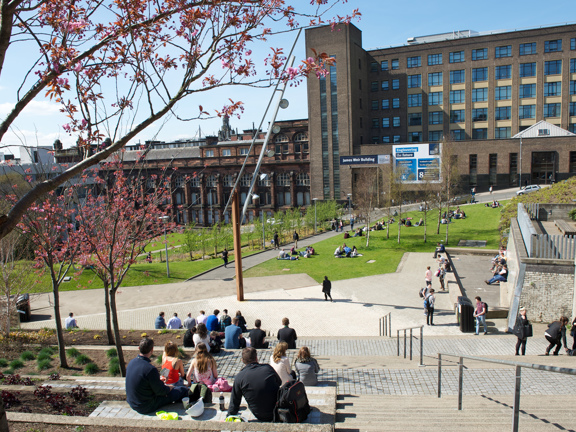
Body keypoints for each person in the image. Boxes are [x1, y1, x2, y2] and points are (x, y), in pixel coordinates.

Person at [125, 338, 188, 414]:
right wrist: (170, 388)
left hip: (132, 402)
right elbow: (161, 391)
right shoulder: (150, 369)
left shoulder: (132, 362)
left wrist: (158, 381)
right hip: (146, 406)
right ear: (152, 350)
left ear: (139, 348)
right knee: (182, 390)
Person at [227, 347, 281, 422]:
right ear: (256, 358)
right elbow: (279, 382)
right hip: (277, 410)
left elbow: (234, 402)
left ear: (242, 360)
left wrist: (229, 416)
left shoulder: (240, 377)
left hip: (259, 414)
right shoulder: (268, 368)